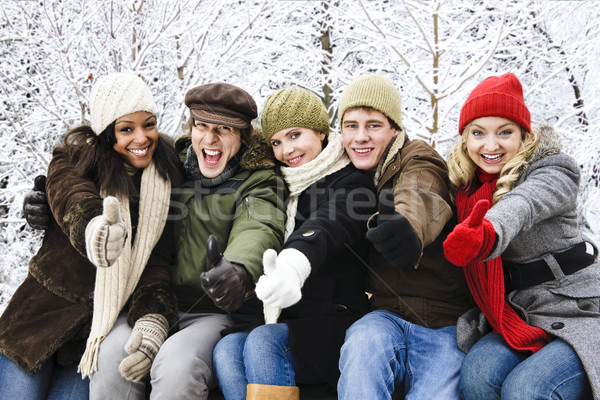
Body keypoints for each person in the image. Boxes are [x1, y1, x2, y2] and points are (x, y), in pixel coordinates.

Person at [88, 82, 287, 400]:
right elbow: (98, 168)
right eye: (202, 126)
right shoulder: (168, 166)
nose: (210, 139)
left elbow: (259, 225)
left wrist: (237, 269)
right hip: (153, 302)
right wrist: (48, 203)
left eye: (224, 129)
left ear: (245, 136)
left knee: (177, 367)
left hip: (214, 311)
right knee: (113, 355)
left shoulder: (259, 179)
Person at [0, 72, 181, 400]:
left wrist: (153, 318)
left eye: (149, 124)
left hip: (91, 340)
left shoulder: (166, 182)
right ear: (106, 133)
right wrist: (94, 228)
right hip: (35, 325)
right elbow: (72, 197)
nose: (141, 138)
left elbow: (156, 261)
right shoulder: (72, 159)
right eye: (126, 128)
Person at [443, 72, 600, 399]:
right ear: (465, 139)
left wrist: (485, 233)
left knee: (526, 389)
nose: (490, 145)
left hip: (578, 308)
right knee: (477, 376)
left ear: (523, 136)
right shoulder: (463, 186)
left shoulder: (554, 170)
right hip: (518, 312)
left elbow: (522, 205)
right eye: (478, 133)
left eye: (504, 132)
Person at [211, 87, 375, 399]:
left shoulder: (352, 183)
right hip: (286, 319)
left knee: (263, 343)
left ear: (322, 132)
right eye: (276, 141)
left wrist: (292, 264)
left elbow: (326, 226)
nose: (287, 149)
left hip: (333, 319)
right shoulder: (280, 185)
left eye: (295, 135)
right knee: (227, 350)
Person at [336, 74, 474, 399]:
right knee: (360, 347)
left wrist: (408, 228)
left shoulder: (417, 158)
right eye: (351, 125)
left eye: (373, 125)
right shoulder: (345, 172)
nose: (360, 137)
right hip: (384, 316)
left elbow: (422, 192)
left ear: (395, 129)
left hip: (440, 320)